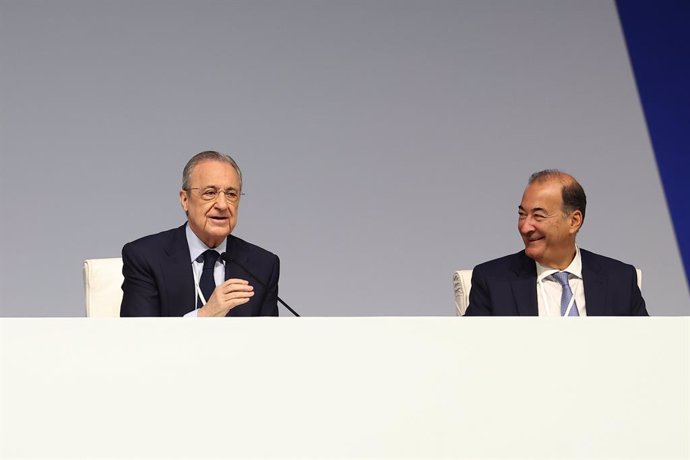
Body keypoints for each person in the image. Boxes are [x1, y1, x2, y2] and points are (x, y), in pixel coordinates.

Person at [464, 169, 648, 316]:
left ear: (574, 221)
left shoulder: (620, 279)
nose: (525, 227)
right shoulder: (493, 280)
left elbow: (647, 348)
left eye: (538, 216)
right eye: (522, 215)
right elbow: (471, 351)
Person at [120, 151, 279, 317]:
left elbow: (269, 339)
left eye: (231, 194)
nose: (223, 205)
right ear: (185, 200)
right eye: (210, 193)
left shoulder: (263, 265)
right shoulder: (145, 257)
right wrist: (204, 315)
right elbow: (138, 337)